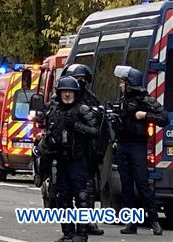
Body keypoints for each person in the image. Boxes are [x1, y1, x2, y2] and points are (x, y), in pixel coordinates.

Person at [39, 76, 99, 242]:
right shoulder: (54, 111)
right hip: (60, 160)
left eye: (70, 92)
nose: (67, 95)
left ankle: (82, 234)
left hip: (78, 161)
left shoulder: (83, 110)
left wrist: (76, 126)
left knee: (81, 198)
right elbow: (48, 133)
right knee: (61, 198)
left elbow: (95, 132)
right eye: (64, 91)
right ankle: (68, 233)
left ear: (76, 93)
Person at [114, 65, 165, 236]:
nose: (120, 85)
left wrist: (144, 115)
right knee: (126, 186)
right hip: (123, 145)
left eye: (123, 82)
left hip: (137, 146)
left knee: (142, 184)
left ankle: (155, 221)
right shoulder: (123, 99)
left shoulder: (144, 99)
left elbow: (163, 118)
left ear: (130, 83)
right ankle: (131, 223)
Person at [64, 63, 106, 237]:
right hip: (64, 152)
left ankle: (85, 225)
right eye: (76, 79)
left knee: (86, 192)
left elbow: (96, 126)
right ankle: (67, 232)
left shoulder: (89, 99)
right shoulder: (58, 98)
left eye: (82, 80)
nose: (78, 83)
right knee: (62, 194)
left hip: (84, 152)